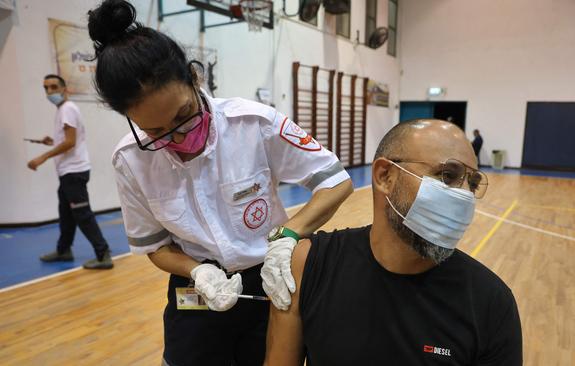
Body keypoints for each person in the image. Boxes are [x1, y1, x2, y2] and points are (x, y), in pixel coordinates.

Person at [87, 1, 353, 365]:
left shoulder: (254, 124)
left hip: (269, 279)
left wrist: (287, 237)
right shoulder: (130, 159)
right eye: (155, 131)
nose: (177, 139)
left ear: (195, 80)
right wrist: (196, 270)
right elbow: (155, 245)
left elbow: (335, 182)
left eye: (183, 116)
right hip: (197, 286)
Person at [265, 120, 522, 366]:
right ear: (385, 176)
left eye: (472, 183)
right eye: (447, 175)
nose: (464, 194)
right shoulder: (307, 264)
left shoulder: (492, 304)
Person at [27, 74, 113, 270]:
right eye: (46, 88)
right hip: (68, 173)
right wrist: (51, 141)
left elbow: (70, 142)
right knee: (66, 214)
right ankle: (64, 250)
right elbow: (67, 139)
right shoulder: (63, 110)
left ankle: (103, 254)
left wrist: (43, 157)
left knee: (82, 214)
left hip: (74, 172)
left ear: (64, 89)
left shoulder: (67, 109)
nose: (49, 92)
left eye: (53, 87)